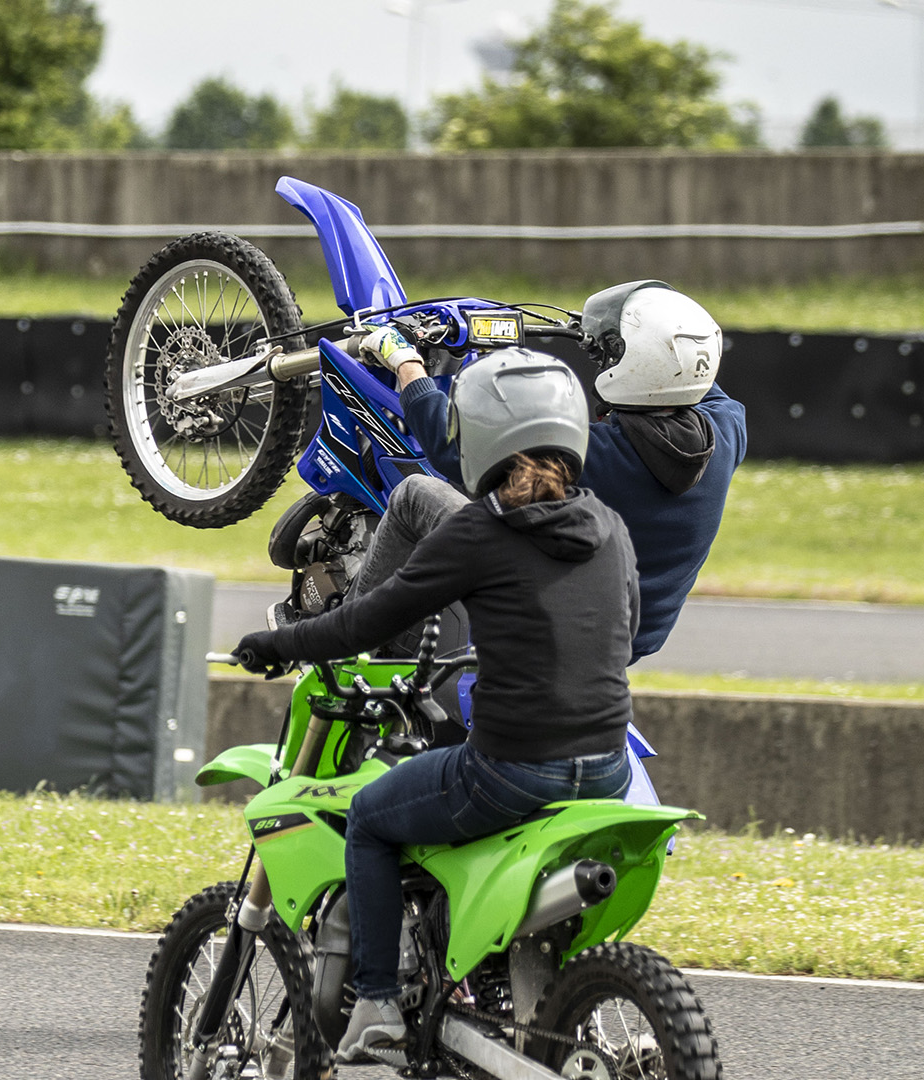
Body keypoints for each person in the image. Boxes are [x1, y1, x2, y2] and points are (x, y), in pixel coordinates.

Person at [234, 350, 637, 1064]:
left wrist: (278, 643)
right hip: (609, 770)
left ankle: (380, 999)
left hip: (516, 773)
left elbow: (364, 620)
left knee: (369, 819)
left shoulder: (481, 533)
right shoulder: (609, 524)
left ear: (478, 435)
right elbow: (621, 626)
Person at [352, 282, 746, 664]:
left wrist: (406, 363)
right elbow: (686, 377)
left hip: (545, 625)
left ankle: (344, 642)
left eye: (611, 353)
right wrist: (602, 334)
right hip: (619, 644)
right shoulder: (727, 430)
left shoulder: (590, 455)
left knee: (416, 493)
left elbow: (451, 448)